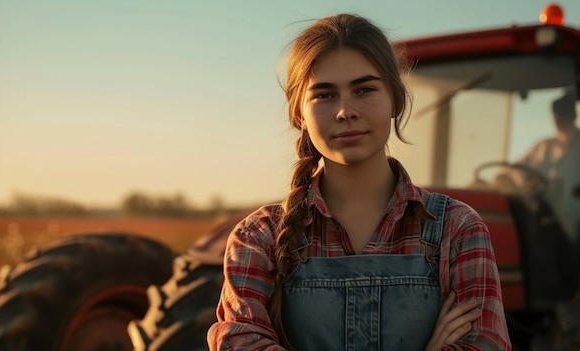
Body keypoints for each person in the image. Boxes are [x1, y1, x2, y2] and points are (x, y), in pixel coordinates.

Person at [207, 14, 511, 350]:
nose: (345, 111)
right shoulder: (258, 237)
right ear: (298, 114)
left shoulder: (457, 229)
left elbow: (485, 343)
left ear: (396, 99)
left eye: (364, 89)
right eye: (324, 95)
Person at [505, 90, 580, 242]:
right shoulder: (543, 147)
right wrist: (528, 183)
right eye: (555, 113)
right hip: (543, 220)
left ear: (573, 115)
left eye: (561, 113)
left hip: (574, 221)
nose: (557, 117)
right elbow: (516, 169)